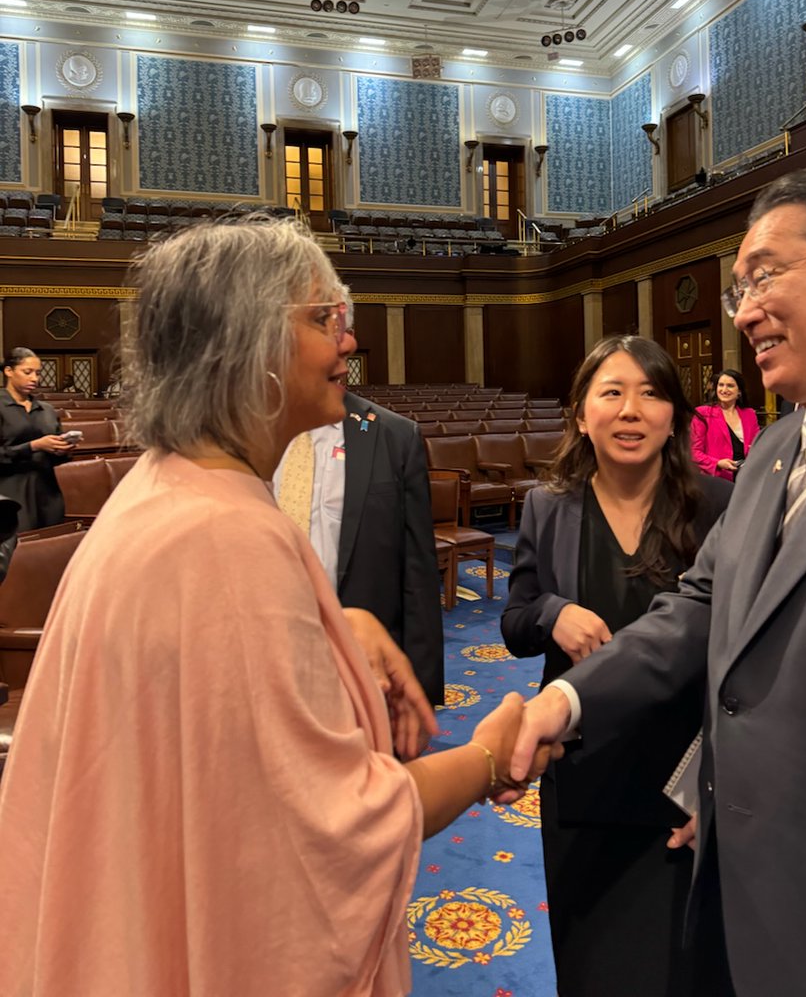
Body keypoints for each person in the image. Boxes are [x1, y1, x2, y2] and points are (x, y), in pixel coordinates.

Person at [0, 219, 554, 997]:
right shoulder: (226, 539)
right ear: (250, 347)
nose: (348, 345)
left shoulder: (168, 489)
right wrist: (489, 757)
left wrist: (338, 621)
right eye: (325, 319)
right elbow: (332, 834)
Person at [509, 168, 806, 997]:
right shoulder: (773, 451)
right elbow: (703, 608)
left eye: (764, 275)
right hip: (733, 884)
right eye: (737, 290)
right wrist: (566, 701)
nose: (746, 310)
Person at [502, 334, 731, 997]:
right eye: (612, 393)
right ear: (581, 414)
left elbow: (735, 651)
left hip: (683, 782)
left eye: (652, 393)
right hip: (582, 773)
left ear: (676, 417)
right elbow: (516, 628)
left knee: (685, 970)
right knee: (591, 966)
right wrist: (552, 612)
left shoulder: (717, 506)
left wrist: (719, 780)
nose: (631, 411)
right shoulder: (547, 505)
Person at [276, 291, 445, 706]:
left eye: (344, 328)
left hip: (367, 674)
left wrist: (421, 688)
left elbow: (417, 575)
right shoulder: (246, 436)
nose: (342, 342)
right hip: (269, 666)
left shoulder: (393, 436)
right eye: (322, 326)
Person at [0, 348, 71, 531]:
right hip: (11, 493)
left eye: (37, 373)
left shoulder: (46, 409)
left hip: (48, 493)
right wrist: (33, 446)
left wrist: (61, 450)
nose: (34, 378)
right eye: (27, 372)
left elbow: (56, 458)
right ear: (9, 371)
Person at [690, 369, 760, 480]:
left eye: (730, 386)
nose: (724, 390)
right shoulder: (703, 414)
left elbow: (757, 445)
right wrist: (717, 463)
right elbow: (694, 452)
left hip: (746, 477)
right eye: (721, 385)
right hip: (716, 478)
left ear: (739, 391)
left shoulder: (749, 414)